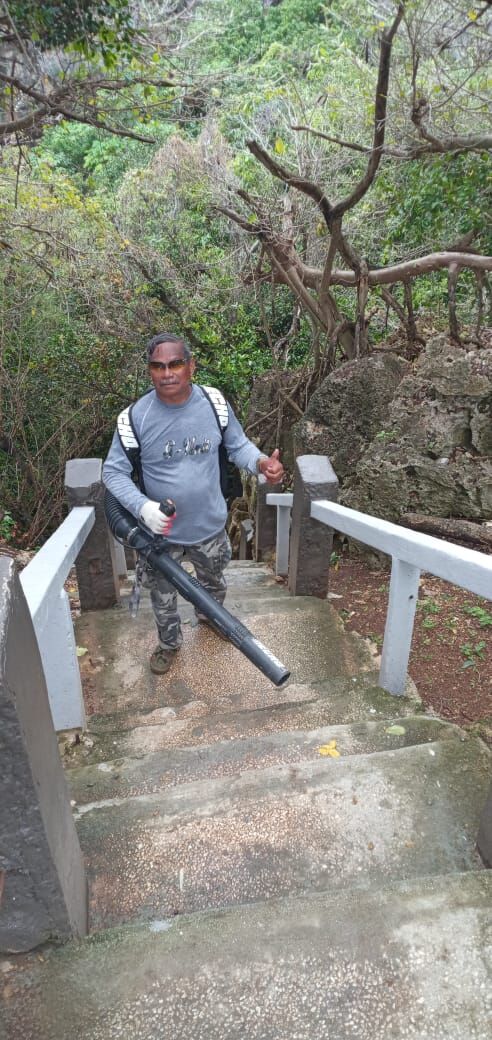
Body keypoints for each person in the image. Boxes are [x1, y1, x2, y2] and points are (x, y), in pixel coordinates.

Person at [103, 332, 284, 674]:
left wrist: (261, 463)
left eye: (175, 364)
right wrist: (143, 507)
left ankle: (212, 619)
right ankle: (169, 643)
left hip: (210, 527)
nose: (167, 373)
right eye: (158, 366)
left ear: (191, 366)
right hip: (160, 535)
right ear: (150, 371)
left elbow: (238, 445)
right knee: (164, 596)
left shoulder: (213, 403)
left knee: (214, 582)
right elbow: (113, 474)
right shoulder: (134, 418)